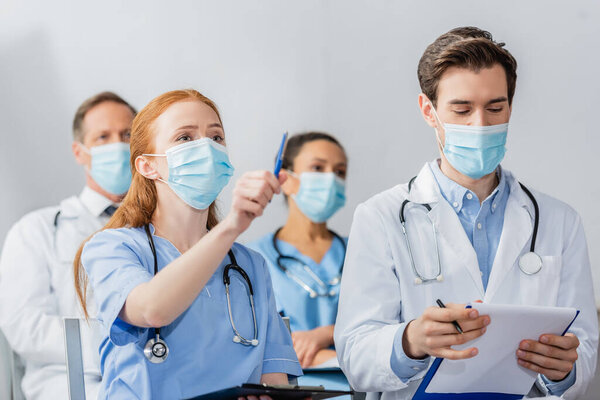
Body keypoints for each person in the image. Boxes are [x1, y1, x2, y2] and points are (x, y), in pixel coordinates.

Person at [334, 27, 598, 399]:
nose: (481, 125)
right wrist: (410, 340)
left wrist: (564, 371)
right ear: (429, 111)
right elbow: (355, 355)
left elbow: (583, 352)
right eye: (461, 109)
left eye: (495, 108)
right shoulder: (381, 216)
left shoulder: (559, 221)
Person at [74, 89, 302, 399]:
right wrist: (232, 227)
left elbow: (274, 380)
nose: (206, 148)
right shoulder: (112, 247)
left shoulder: (250, 265)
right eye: (184, 138)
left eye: (216, 137)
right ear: (147, 166)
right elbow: (152, 310)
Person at [0, 91, 135, 399]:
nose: (118, 145)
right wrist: (124, 340)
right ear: (79, 152)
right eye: (103, 137)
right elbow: (24, 327)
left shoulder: (161, 229)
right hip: (73, 387)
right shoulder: (36, 230)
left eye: (127, 134)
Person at [248, 132, 350, 392]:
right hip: (289, 391)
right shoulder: (254, 258)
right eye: (317, 168)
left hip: (362, 389)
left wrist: (324, 334)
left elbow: (384, 327)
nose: (331, 179)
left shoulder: (359, 250)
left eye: (339, 172)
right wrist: (349, 348)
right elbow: (265, 348)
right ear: (285, 178)